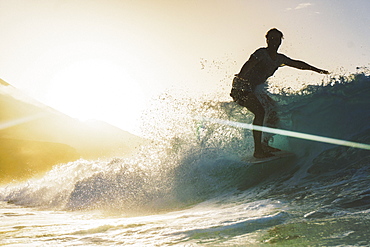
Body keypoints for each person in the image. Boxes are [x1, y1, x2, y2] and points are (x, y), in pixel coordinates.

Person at [230, 28, 329, 158]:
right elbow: (249, 63)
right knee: (260, 112)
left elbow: (297, 64)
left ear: (280, 41)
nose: (274, 41)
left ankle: (264, 144)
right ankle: (258, 151)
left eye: (276, 39)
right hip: (240, 88)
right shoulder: (261, 53)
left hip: (253, 90)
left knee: (273, 112)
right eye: (271, 38)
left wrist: (317, 70)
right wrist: (242, 75)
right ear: (267, 40)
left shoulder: (279, 59)